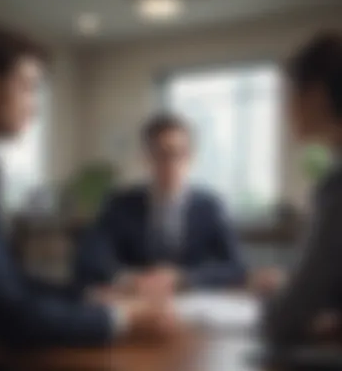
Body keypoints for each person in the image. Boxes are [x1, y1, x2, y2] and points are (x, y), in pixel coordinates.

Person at [0, 20, 177, 369]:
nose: (35, 106)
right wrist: (118, 320)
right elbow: (5, 313)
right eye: (27, 88)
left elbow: (7, 284)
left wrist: (91, 296)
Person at [78, 113, 246, 295]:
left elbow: (236, 267)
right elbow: (89, 258)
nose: (171, 164)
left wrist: (183, 278)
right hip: (136, 301)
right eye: (162, 154)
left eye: (180, 154)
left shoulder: (210, 206)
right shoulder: (121, 205)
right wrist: (128, 279)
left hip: (193, 302)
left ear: (192, 157)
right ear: (147, 157)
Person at [264, 32, 342, 348]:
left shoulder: (337, 188)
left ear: (316, 96)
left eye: (289, 94)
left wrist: (274, 300)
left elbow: (283, 321)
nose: (285, 107)